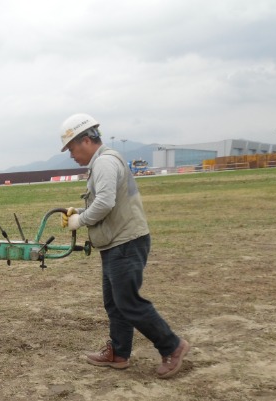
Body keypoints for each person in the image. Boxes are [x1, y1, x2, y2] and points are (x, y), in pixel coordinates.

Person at [59, 113, 189, 378]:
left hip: (126, 243)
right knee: (115, 303)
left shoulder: (105, 162)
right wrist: (81, 211)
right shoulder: (102, 163)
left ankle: (172, 346)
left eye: (72, 148)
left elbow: (105, 203)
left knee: (128, 302)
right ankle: (119, 353)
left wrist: (80, 220)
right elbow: (105, 199)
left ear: (86, 140)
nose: (71, 155)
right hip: (116, 243)